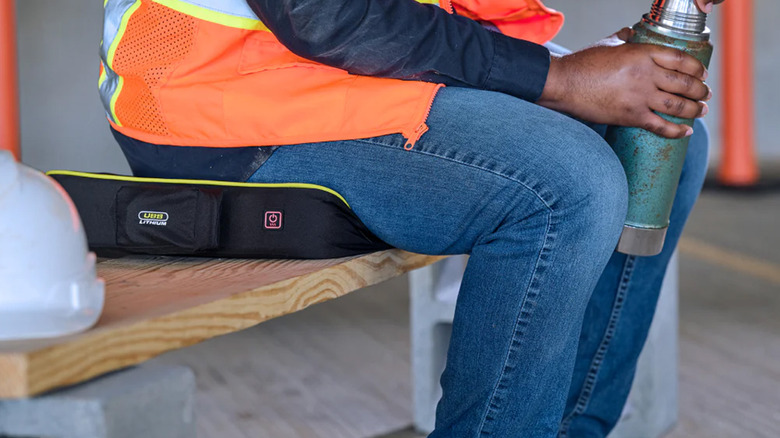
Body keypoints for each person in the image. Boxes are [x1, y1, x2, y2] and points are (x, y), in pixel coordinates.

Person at [100, 0, 725, 435]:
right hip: (228, 105)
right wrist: (556, 78)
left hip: (361, 68)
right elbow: (325, 15)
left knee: (667, 133)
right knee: (568, 184)